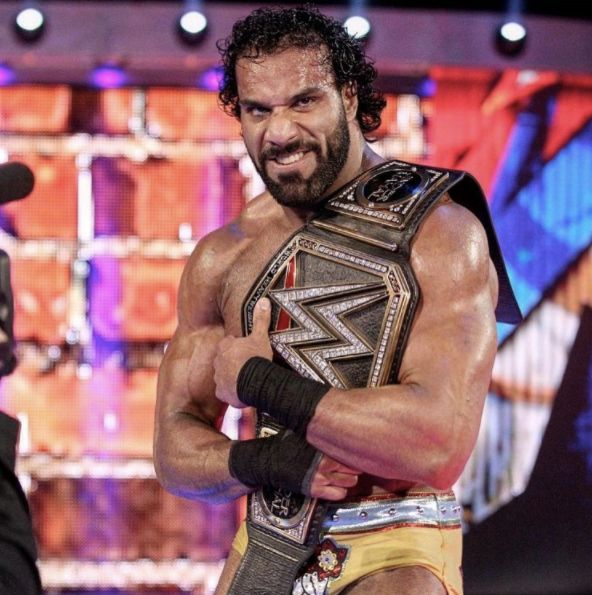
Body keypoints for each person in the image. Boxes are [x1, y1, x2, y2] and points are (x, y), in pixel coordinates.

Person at [153, 6, 520, 595]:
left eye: (303, 102)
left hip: (396, 544)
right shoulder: (225, 256)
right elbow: (175, 449)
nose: (279, 133)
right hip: (266, 546)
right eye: (258, 110)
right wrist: (274, 465)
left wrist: (261, 383)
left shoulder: (442, 235)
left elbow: (438, 443)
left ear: (348, 97)